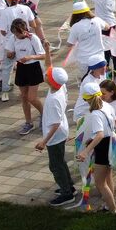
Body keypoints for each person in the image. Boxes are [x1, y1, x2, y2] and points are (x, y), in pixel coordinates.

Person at [35, 67, 78, 207]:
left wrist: (44, 142)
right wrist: (47, 51)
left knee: (55, 165)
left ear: (51, 81)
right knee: (61, 161)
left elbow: (55, 125)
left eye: (48, 75)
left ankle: (67, 194)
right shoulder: (59, 86)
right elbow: (50, 68)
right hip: (61, 133)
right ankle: (69, 186)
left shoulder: (53, 99)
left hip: (54, 136)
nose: (45, 74)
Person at [75, 90, 116, 213]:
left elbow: (99, 135)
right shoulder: (107, 105)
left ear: (86, 100)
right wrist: (91, 139)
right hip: (110, 143)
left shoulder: (95, 113)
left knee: (100, 183)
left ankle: (113, 210)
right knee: (108, 178)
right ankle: (108, 205)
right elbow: (109, 126)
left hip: (103, 148)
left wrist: (85, 151)